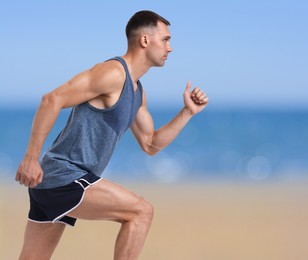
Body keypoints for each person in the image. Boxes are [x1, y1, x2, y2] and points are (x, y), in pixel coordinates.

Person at [15, 10, 208, 260]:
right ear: (145, 41)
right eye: (166, 39)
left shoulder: (138, 92)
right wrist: (31, 158)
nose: (170, 48)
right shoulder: (113, 73)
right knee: (141, 211)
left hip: (57, 182)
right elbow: (52, 99)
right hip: (65, 176)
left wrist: (187, 112)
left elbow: (150, 144)